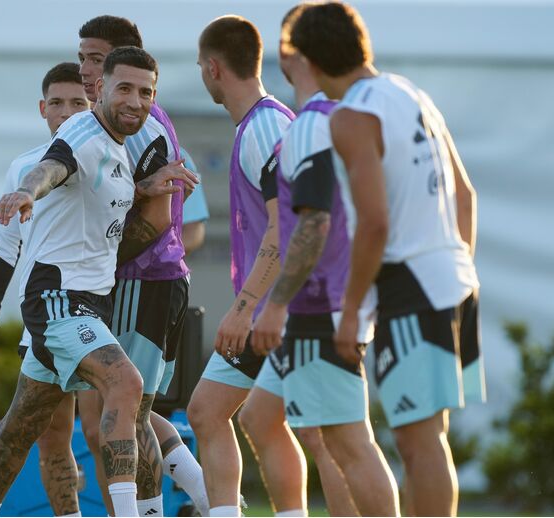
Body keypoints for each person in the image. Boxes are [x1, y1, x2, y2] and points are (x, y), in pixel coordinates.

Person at [0, 46, 199, 518]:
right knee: (127, 386)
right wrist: (27, 191)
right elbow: (54, 166)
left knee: (18, 430)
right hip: (59, 301)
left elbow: (94, 192)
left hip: (87, 304)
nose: (135, 101)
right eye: (125, 89)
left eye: (146, 92)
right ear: (102, 90)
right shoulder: (85, 132)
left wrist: (144, 189)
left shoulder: (115, 148)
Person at [288, 3, 481, 515]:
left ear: (311, 59)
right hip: (452, 276)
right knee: (425, 441)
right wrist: (456, 273)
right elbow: (465, 195)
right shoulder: (411, 93)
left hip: (410, 285)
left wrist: (352, 312)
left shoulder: (352, 115)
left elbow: (374, 223)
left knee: (418, 446)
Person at [248, 5, 399, 516]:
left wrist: (276, 306)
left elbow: (316, 224)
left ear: (295, 53)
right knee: (260, 415)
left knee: (347, 443)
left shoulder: (313, 123)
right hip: (327, 303)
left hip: (317, 305)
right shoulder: (343, 117)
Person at [73, 15, 211, 517]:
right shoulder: (120, 119)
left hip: (141, 281)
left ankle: (186, 505)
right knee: (127, 413)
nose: (85, 68)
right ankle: (207, 498)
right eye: (82, 56)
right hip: (148, 281)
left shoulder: (139, 125)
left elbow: (157, 221)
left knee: (125, 415)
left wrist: (91, 263)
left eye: (94, 58)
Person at [188, 15, 300, 517]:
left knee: (323, 436)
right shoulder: (263, 124)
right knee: (234, 416)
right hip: (279, 304)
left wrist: (243, 308)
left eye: (199, 66)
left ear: (213, 67)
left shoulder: (265, 127)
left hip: (280, 307)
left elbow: (286, 229)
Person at [0, 62, 90, 517]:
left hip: (102, 317)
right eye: (56, 102)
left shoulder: (110, 156)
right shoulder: (24, 167)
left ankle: (199, 494)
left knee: (111, 428)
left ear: (93, 102)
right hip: (44, 321)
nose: (66, 111)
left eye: (77, 102)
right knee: (50, 436)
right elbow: (5, 250)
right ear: (42, 109)